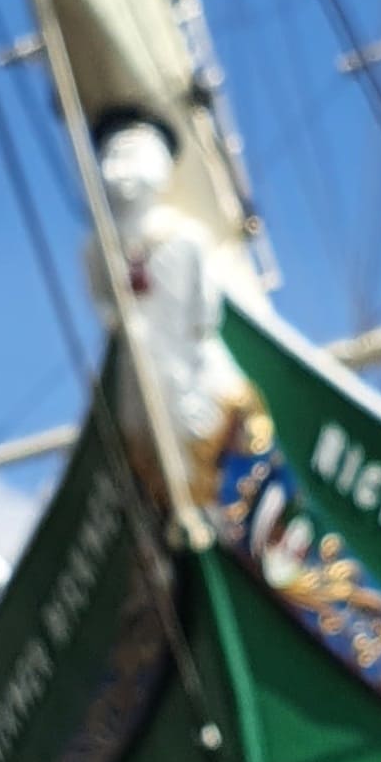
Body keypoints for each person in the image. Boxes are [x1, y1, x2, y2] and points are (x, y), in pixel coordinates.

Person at [85, 104, 257, 502]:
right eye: (113, 158)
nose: (121, 171)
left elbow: (203, 316)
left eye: (133, 157)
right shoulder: (97, 251)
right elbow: (107, 312)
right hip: (144, 394)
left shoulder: (187, 240)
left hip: (196, 386)